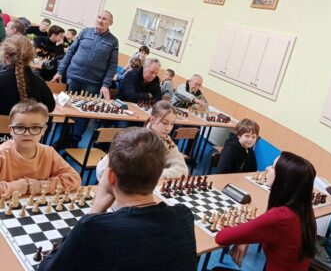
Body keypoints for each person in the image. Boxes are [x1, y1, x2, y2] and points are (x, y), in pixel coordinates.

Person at [38, 127, 197, 271]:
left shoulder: (93, 228)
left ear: (111, 176)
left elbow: (47, 268)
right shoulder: (184, 216)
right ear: (158, 176)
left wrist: (94, 211)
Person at [214, 152, 317, 271]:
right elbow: (269, 229)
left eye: (273, 167)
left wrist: (244, 237)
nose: (267, 169)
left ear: (283, 179)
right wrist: (248, 236)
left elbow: (221, 237)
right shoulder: (306, 212)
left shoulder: (280, 217)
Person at [51, 11, 118, 147]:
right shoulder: (85, 32)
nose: (100, 20)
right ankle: (63, 138)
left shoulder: (113, 41)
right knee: (67, 109)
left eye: (104, 19)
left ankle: (74, 140)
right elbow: (70, 52)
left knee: (83, 113)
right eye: (99, 17)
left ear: (110, 23)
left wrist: (105, 85)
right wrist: (60, 72)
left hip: (93, 83)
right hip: (73, 77)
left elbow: (112, 65)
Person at [0, 100, 81, 198]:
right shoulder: (2, 154)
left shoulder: (49, 153)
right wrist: (13, 187)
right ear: (11, 130)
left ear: (43, 130)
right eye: (20, 127)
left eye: (35, 127)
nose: (27, 133)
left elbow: (74, 178)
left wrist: (42, 186)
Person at [96, 100, 188, 183]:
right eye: (165, 123)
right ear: (152, 119)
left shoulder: (167, 142)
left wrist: (153, 176)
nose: (169, 128)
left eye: (172, 124)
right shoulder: (136, 138)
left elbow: (182, 170)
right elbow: (103, 169)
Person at [0, 35, 55, 115]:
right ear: (31, 56)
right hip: (28, 123)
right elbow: (50, 107)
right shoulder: (39, 82)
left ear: (6, 56)